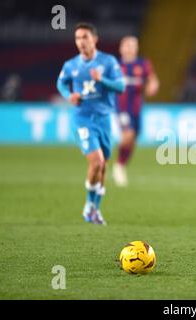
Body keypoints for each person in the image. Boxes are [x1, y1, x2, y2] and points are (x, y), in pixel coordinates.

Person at [56, 22, 125, 225]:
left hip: (104, 119)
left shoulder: (108, 61)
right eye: (77, 38)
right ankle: (88, 206)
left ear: (94, 39)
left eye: (84, 37)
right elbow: (61, 82)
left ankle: (95, 209)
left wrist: (102, 79)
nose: (81, 42)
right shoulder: (71, 65)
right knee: (96, 161)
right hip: (82, 118)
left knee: (103, 167)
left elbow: (120, 86)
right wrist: (69, 95)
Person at [112, 36, 160, 187]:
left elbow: (153, 79)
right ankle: (117, 165)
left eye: (133, 45)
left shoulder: (143, 64)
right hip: (121, 108)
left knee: (133, 139)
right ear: (121, 48)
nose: (130, 48)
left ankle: (121, 165)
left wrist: (153, 85)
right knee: (128, 134)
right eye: (127, 45)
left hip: (137, 108)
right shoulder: (115, 66)